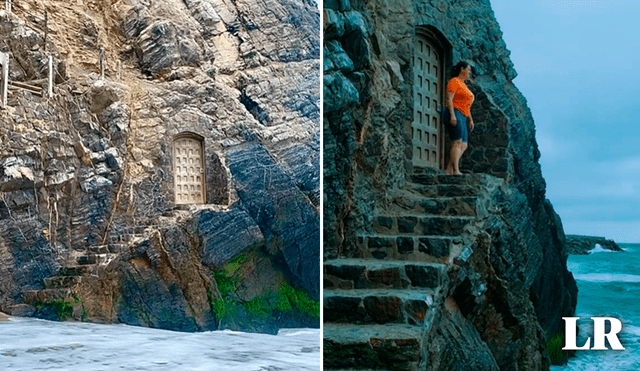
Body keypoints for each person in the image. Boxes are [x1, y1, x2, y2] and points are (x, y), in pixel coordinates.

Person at [444, 61, 475, 175]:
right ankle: (455, 170)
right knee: (457, 142)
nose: (469, 72)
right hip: (455, 112)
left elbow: (466, 105)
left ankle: (449, 169)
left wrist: (470, 119)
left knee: (464, 145)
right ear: (462, 69)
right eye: (468, 70)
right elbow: (449, 99)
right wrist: (452, 115)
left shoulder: (463, 84)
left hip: (463, 115)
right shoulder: (454, 81)